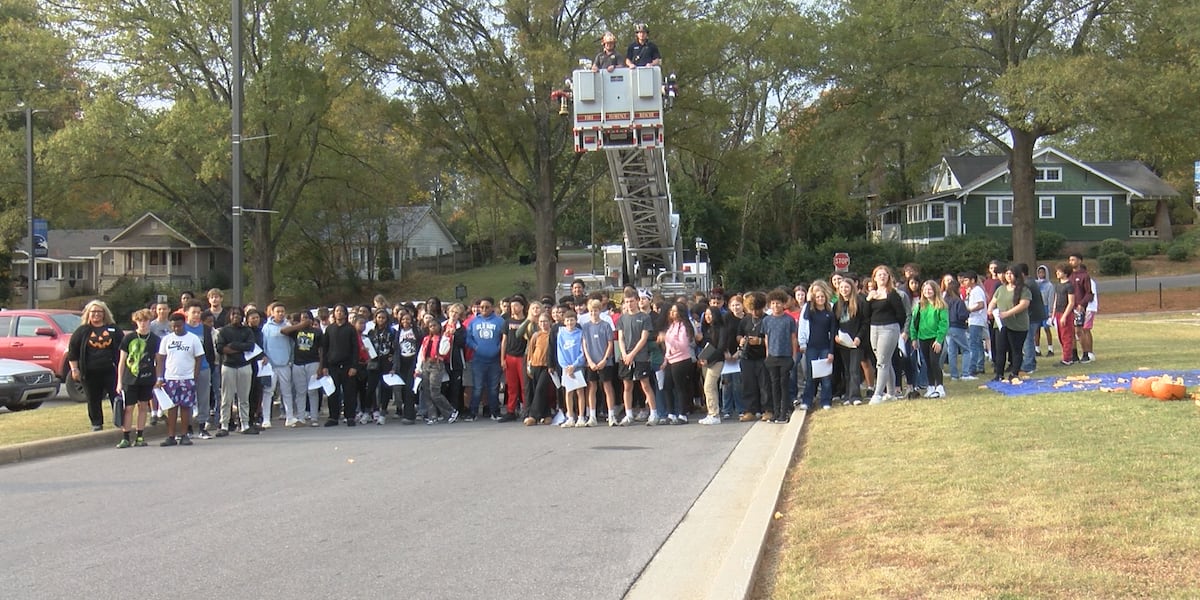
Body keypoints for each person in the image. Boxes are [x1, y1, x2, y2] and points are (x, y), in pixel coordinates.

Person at [68, 300, 125, 431]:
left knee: (116, 397)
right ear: (88, 313)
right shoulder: (82, 331)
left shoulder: (113, 329)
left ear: (104, 313)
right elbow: (72, 351)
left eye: (99, 312)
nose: (96, 314)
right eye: (93, 312)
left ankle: (120, 421)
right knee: (93, 399)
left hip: (111, 371)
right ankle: (97, 423)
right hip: (89, 372)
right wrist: (74, 369)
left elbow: (123, 349)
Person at [156, 313, 205, 446]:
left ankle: (184, 435)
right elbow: (161, 358)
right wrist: (159, 377)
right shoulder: (166, 340)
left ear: (184, 324)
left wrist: (194, 376)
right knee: (171, 408)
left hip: (187, 378)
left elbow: (199, 357)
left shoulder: (193, 339)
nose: (176, 328)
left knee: (185, 407)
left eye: (179, 325)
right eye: (173, 326)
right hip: (171, 378)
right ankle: (171, 436)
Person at [115, 309, 160, 448]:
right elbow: (122, 361)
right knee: (128, 408)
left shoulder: (155, 339)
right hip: (130, 378)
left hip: (147, 378)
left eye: (145, 320)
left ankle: (140, 436)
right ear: (136, 322)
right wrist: (119, 381)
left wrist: (157, 378)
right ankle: (126, 436)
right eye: (140, 320)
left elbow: (158, 361)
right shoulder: (129, 338)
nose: (143, 323)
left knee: (143, 406)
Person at [617, 291, 659, 426]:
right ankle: (628, 414)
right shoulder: (622, 319)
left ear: (636, 301)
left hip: (641, 357)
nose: (629, 304)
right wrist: (624, 354)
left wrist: (632, 354)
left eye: (631, 301)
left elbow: (644, 338)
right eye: (627, 301)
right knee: (627, 386)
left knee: (645, 385)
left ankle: (653, 414)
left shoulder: (644, 317)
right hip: (625, 357)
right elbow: (620, 338)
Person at [865, 265, 906, 404]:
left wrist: (896, 328)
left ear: (889, 277)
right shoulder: (872, 295)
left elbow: (901, 314)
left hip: (889, 328)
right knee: (884, 361)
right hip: (874, 329)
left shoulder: (893, 294)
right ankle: (891, 393)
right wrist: (869, 300)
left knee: (881, 362)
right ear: (874, 278)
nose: (882, 277)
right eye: (879, 274)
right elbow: (866, 315)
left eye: (884, 274)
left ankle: (877, 394)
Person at [214, 306, 257, 435]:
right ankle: (224, 425)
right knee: (226, 397)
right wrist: (240, 348)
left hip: (244, 365)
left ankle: (244, 424)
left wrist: (232, 346)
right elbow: (221, 349)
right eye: (233, 314)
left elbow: (250, 346)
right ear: (229, 316)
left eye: (238, 314)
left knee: (244, 397)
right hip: (228, 365)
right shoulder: (224, 331)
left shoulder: (247, 331)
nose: (236, 316)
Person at [988, 265, 1032, 381]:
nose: (1008, 276)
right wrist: (990, 310)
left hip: (1018, 325)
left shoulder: (1023, 289)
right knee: (1000, 349)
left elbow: (1023, 304)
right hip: (1001, 324)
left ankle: (1014, 373)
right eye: (1007, 273)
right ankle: (999, 374)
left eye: (1011, 273)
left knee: (1016, 350)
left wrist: (1007, 313)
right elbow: (993, 301)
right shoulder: (1001, 289)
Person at [466, 297, 505, 421]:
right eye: (481, 307)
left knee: (493, 388)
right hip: (478, 360)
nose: (483, 309)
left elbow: (504, 338)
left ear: (492, 308)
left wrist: (498, 348)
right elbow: (468, 338)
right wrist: (475, 347)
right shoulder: (473, 321)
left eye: (487, 307)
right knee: (477, 387)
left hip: (494, 360)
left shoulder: (499, 321)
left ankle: (495, 412)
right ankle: (473, 413)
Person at [798, 282, 836, 411]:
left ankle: (826, 400)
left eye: (822, 297)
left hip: (825, 347)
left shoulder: (829, 314)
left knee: (826, 376)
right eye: (817, 297)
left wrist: (831, 352)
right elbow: (805, 317)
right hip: (812, 347)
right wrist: (809, 301)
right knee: (810, 375)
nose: (820, 299)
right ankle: (807, 400)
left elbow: (832, 333)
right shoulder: (811, 311)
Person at [581, 298, 618, 426]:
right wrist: (590, 361)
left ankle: (611, 415)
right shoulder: (585, 327)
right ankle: (592, 416)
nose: (593, 313)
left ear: (599, 311)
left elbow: (610, 344)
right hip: (591, 362)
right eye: (591, 311)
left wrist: (604, 360)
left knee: (607, 387)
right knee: (592, 387)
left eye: (595, 311)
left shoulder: (605, 325)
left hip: (605, 362)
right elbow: (585, 345)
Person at [659, 302, 697, 425]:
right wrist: (665, 360)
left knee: (680, 387)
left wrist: (667, 338)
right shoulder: (672, 325)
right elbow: (668, 346)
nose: (672, 313)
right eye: (671, 311)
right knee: (667, 386)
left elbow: (682, 345)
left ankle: (682, 414)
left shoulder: (684, 326)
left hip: (681, 360)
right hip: (671, 360)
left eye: (675, 311)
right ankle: (671, 413)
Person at [763, 289, 799, 422]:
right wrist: (768, 354)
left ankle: (784, 412)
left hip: (785, 356)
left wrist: (794, 355)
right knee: (774, 385)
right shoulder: (767, 320)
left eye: (778, 303)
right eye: (772, 303)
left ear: (783, 304)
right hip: (772, 356)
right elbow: (767, 338)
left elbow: (793, 338)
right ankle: (776, 412)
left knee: (784, 384)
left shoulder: (789, 320)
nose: (775, 306)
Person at [415, 320, 459, 424]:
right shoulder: (426, 339)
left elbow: (443, 351)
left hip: (436, 365)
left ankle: (451, 411)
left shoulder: (443, 339)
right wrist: (418, 368)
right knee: (426, 391)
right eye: (430, 326)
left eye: (435, 325)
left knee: (435, 392)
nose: (433, 328)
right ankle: (432, 415)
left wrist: (446, 338)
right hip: (426, 365)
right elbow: (421, 354)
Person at [910, 280, 949, 398]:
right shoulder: (919, 305)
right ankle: (931, 386)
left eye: (930, 289)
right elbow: (914, 322)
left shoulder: (941, 305)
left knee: (934, 362)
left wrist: (939, 340)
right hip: (922, 338)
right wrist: (914, 338)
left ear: (935, 290)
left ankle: (940, 387)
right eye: (925, 289)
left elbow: (944, 323)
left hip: (935, 338)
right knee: (926, 363)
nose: (927, 292)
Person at [284, 311, 323, 425]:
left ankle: (314, 417)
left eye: (306, 318)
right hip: (298, 363)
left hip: (313, 362)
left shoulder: (317, 332)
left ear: (311, 320)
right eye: (302, 318)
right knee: (300, 392)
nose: (304, 320)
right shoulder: (296, 331)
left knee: (312, 391)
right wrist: (299, 325)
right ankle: (301, 417)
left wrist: (321, 365)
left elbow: (321, 350)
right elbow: (283, 331)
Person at [834, 278, 867, 405]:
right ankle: (848, 395)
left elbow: (865, 322)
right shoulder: (838, 305)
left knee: (854, 369)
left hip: (856, 342)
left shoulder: (859, 302)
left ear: (852, 288)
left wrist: (859, 337)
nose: (844, 290)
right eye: (841, 288)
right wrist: (836, 335)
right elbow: (835, 323)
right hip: (843, 342)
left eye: (846, 287)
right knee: (847, 370)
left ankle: (855, 396)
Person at [499, 295, 529, 422]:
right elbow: (504, 341)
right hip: (510, 356)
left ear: (522, 307)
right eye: (511, 307)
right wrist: (502, 358)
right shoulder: (507, 322)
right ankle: (511, 410)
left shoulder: (527, 322)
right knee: (511, 386)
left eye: (516, 306)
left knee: (524, 386)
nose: (513, 308)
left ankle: (527, 410)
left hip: (522, 357)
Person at [523, 313, 555, 425]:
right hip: (535, 365)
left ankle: (533, 415)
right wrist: (529, 366)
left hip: (547, 366)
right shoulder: (536, 335)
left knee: (540, 389)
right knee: (539, 390)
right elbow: (530, 352)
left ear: (550, 322)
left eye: (545, 321)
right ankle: (546, 414)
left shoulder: (553, 334)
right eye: (541, 322)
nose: (543, 324)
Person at [556, 308, 586, 427]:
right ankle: (570, 417)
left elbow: (582, 351)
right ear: (564, 321)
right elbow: (560, 351)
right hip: (566, 368)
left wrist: (574, 365)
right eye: (567, 320)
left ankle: (581, 417)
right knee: (568, 392)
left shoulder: (580, 333)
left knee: (580, 392)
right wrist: (566, 367)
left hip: (577, 366)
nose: (570, 323)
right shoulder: (561, 334)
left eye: (572, 320)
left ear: (576, 321)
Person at [959, 271, 987, 380]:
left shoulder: (976, 291)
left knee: (973, 344)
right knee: (978, 344)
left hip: (976, 320)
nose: (964, 282)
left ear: (973, 280)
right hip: (976, 320)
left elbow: (980, 305)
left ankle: (972, 368)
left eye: (966, 280)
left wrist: (968, 309)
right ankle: (980, 365)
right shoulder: (973, 291)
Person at [1052, 263, 1077, 367]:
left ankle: (1067, 358)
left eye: (1060, 271)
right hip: (1058, 312)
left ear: (1065, 273)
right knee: (1061, 336)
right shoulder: (1058, 285)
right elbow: (1056, 299)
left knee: (1066, 336)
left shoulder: (1069, 286)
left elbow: (1071, 303)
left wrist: (1065, 316)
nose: (1057, 273)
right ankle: (1066, 356)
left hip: (1066, 314)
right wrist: (1053, 313)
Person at [1034, 265, 1056, 356]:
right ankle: (1037, 349)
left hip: (1045, 308)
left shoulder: (1049, 285)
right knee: (1036, 329)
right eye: (1039, 272)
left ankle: (1050, 348)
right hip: (1037, 308)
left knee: (1046, 328)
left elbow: (1051, 298)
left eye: (1043, 272)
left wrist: (1050, 312)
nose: (1041, 274)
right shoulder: (1035, 284)